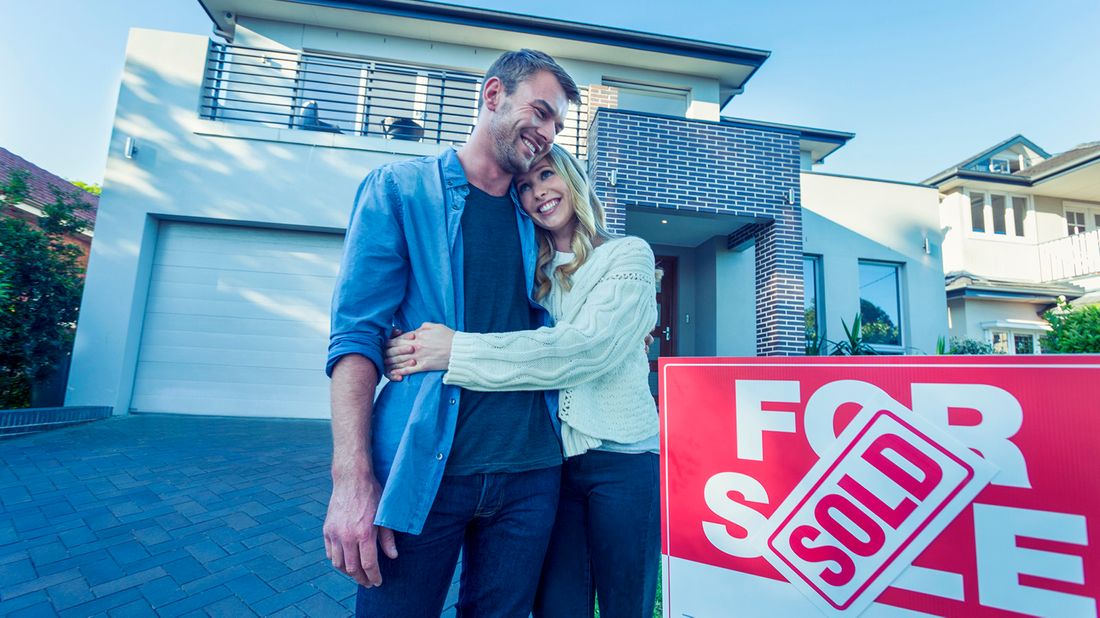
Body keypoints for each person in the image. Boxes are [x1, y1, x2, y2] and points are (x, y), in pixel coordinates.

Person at [323, 49, 581, 617]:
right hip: (424, 467)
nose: (546, 133)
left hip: (531, 471)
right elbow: (357, 338)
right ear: (493, 96)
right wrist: (350, 479)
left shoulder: (538, 212)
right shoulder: (401, 190)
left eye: (557, 125)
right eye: (538, 113)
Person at [384, 143, 661, 617]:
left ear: (572, 180)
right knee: (557, 607)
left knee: (624, 606)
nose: (538, 192)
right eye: (525, 187)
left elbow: (584, 350)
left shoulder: (627, 255)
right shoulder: (536, 279)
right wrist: (406, 348)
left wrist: (456, 350)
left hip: (623, 460)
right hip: (555, 464)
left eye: (547, 176)